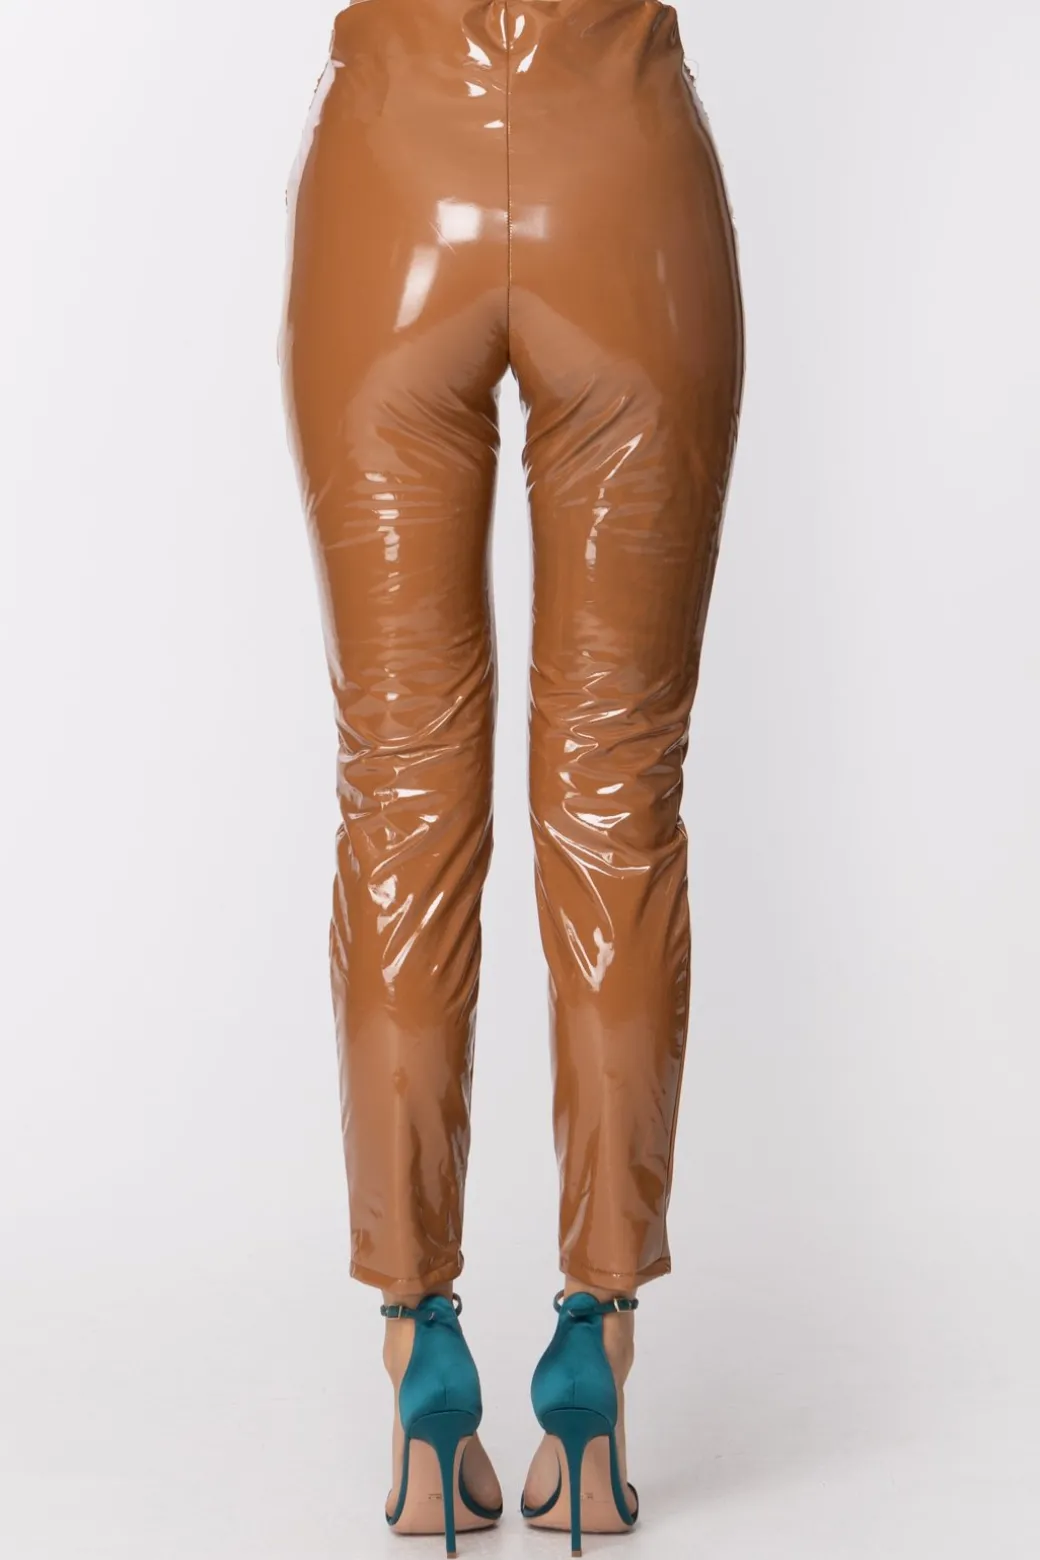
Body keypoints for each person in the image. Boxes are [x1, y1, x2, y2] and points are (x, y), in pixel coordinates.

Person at [279, 0, 744, 1550]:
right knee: (619, 801)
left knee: (400, 800)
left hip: (387, 190)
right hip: (624, 182)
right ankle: (596, 1357)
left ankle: (420, 1358)